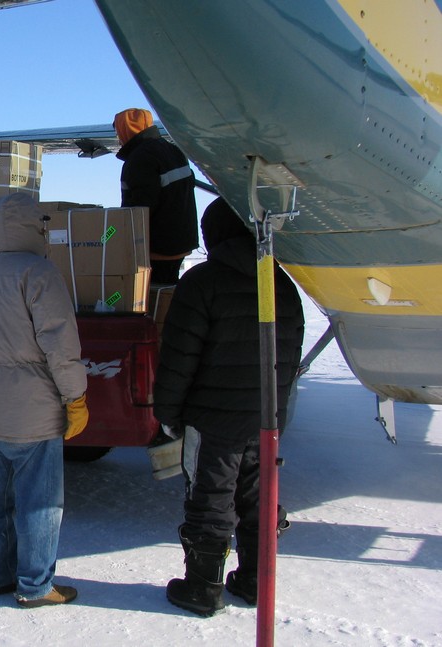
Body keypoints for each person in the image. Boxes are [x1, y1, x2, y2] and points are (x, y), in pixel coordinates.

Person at [154, 198, 305, 617]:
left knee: (211, 498)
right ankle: (256, 580)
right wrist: (274, 415)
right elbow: (289, 361)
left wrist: (167, 413)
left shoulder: (202, 283)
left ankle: (202, 588)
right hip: (263, 421)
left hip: (211, 418)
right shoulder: (282, 285)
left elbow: (178, 357)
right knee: (258, 498)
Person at [0, 192, 89, 609]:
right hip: (33, 413)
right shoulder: (39, 272)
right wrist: (75, 397)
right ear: (33, 227)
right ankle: (35, 586)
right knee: (40, 502)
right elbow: (61, 344)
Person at [113, 108, 199, 285]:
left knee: (153, 297)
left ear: (126, 129)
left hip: (159, 248)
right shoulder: (172, 149)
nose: (118, 138)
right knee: (168, 291)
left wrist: (119, 239)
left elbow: (139, 209)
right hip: (181, 243)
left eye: (118, 132)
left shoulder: (140, 159)